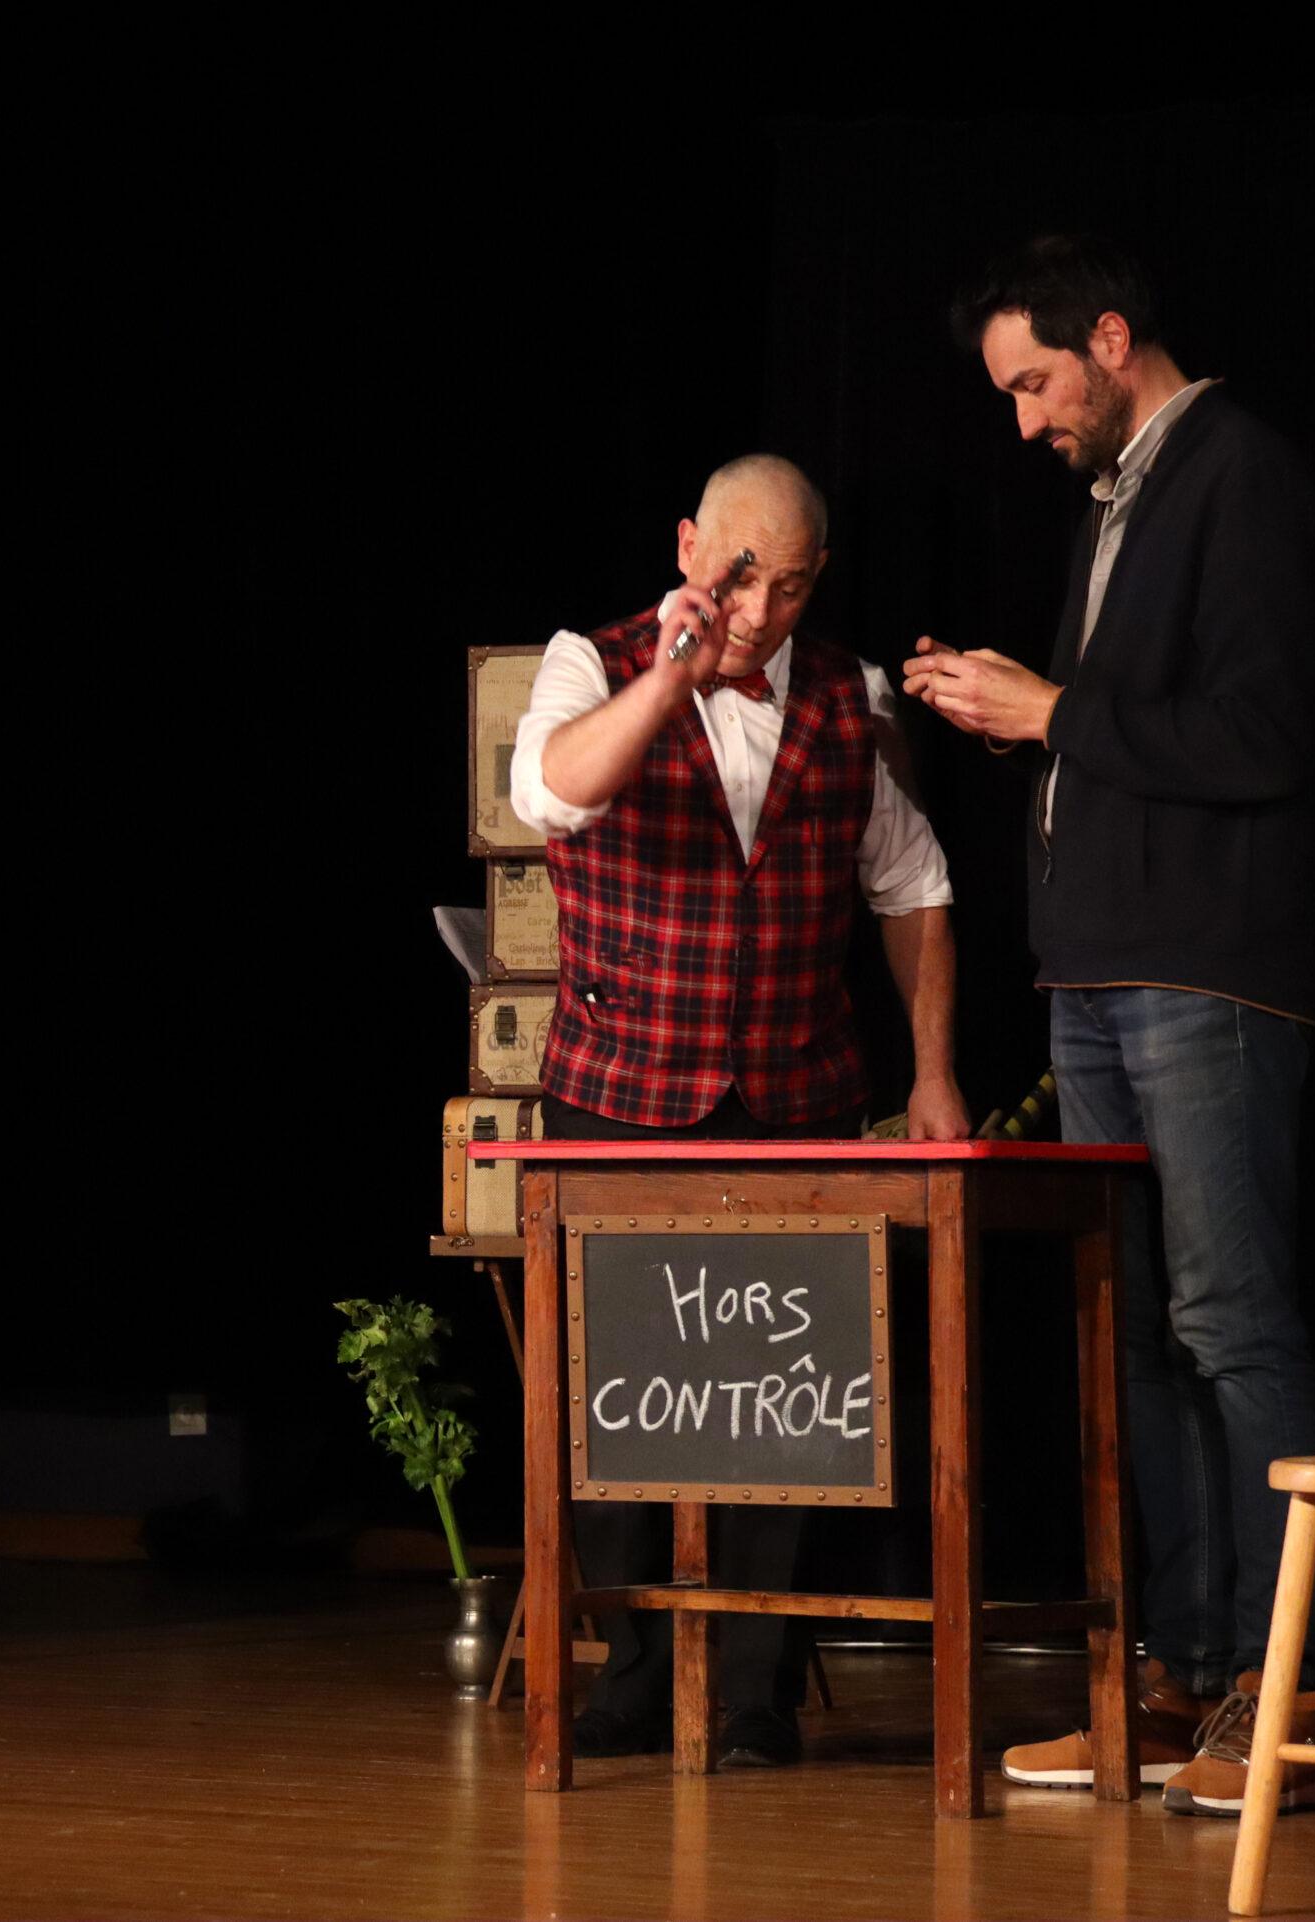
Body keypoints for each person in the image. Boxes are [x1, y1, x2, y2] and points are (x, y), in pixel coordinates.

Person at [905, 235, 1315, 1818]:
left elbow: (1262, 730)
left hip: (1203, 977)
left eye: (1035, 383)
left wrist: (1052, 714)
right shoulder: (1121, 498)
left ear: (1110, 334)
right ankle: (1182, 1672)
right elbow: (1126, 739)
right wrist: (1006, 706)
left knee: (1231, 1323)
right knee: (1142, 1339)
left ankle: (1293, 1699)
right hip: (1096, 977)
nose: (1023, 421)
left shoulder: (1238, 472)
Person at [511, 453, 972, 1767]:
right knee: (622, 1396)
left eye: (783, 584)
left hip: (794, 1090)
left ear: (816, 580)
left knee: (786, 1395)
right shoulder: (590, 662)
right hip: (620, 1090)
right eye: (735, 575)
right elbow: (551, 789)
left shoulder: (847, 693)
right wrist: (676, 672)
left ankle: (754, 1689)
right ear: (689, 549)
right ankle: (634, 1673)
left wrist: (932, 1071)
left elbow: (915, 883)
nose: (756, 609)